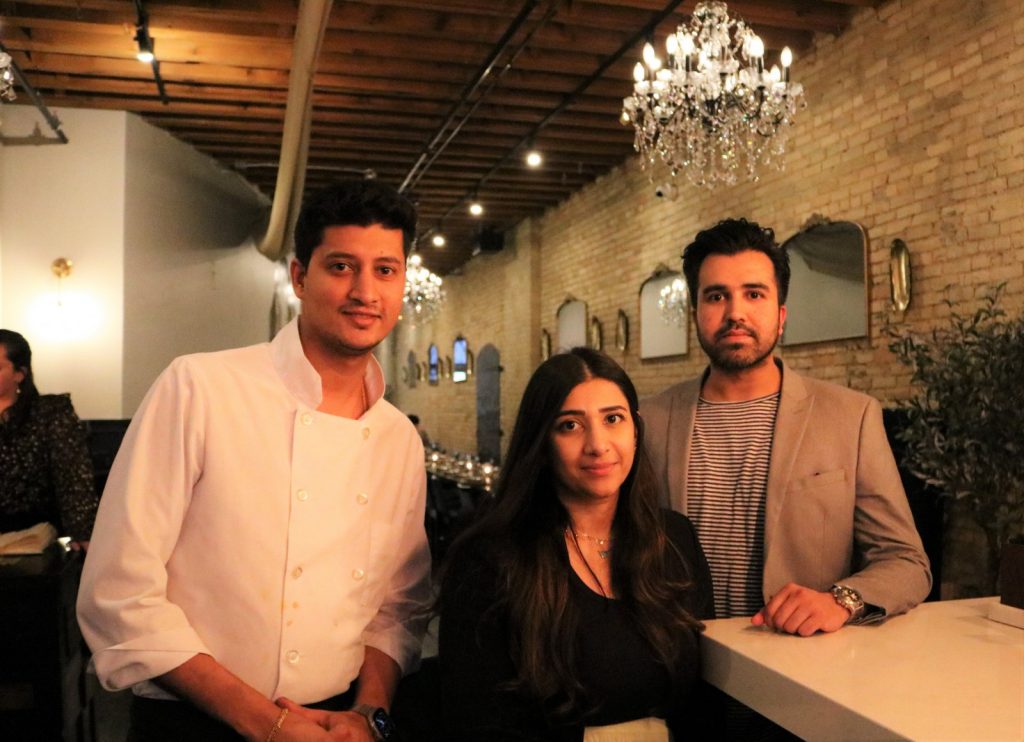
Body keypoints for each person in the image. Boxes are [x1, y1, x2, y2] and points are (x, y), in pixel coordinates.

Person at [77, 180, 432, 742]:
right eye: (341, 266)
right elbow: (119, 592)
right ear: (299, 277)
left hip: (338, 723)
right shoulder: (200, 387)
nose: (365, 290)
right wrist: (269, 724)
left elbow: (397, 608)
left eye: (385, 270)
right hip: (193, 723)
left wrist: (369, 714)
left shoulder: (398, 439)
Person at [641, 217, 931, 631]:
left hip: (794, 665)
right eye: (716, 296)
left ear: (781, 315)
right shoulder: (649, 419)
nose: (735, 312)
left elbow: (906, 560)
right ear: (696, 313)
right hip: (673, 663)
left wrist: (842, 601)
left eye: (753, 294)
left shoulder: (851, 416)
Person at [438, 348, 713, 741]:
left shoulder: (675, 541)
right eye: (570, 426)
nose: (597, 445)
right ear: (542, 445)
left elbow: (702, 700)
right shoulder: (490, 560)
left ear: (635, 430)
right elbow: (476, 721)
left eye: (613, 419)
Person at [0, 329, 97, 549]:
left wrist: (83, 531)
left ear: (19, 373)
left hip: (33, 537)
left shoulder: (48, 413)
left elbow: (72, 475)